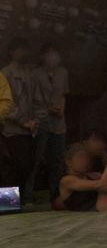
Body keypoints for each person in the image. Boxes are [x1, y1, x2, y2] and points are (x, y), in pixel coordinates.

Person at [0, 38, 46, 199]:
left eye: (25, 49)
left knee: (27, 166)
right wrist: (22, 121)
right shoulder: (5, 73)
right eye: (19, 49)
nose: (23, 53)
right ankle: (7, 206)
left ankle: (17, 202)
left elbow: (38, 100)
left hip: (30, 130)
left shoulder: (31, 74)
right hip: (11, 130)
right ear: (12, 52)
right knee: (11, 168)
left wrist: (35, 120)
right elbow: (7, 104)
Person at [25, 43, 68, 202]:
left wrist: (61, 110)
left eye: (56, 54)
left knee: (56, 161)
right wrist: (46, 110)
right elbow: (30, 99)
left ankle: (56, 195)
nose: (53, 57)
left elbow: (63, 94)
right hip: (40, 120)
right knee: (35, 160)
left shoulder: (63, 73)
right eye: (50, 54)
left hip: (59, 123)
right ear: (42, 56)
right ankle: (27, 195)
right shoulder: (34, 74)